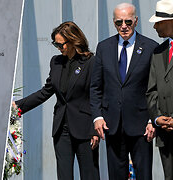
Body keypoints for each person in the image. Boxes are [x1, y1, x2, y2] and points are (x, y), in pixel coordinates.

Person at [13, 21, 99, 180]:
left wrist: (95, 129)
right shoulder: (56, 62)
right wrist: (16, 107)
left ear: (73, 40)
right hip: (62, 129)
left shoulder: (91, 62)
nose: (58, 48)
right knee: (64, 176)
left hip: (85, 128)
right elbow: (46, 91)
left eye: (61, 44)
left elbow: (96, 96)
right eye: (55, 44)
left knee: (90, 175)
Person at [90, 3, 158, 180]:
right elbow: (96, 86)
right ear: (114, 23)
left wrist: (153, 119)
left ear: (136, 21)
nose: (124, 26)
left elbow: (156, 87)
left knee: (144, 175)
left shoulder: (151, 47)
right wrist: (97, 117)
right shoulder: (103, 47)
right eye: (119, 22)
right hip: (111, 125)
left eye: (128, 21)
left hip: (142, 125)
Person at [147, 0, 173, 179]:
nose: (155, 26)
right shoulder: (158, 52)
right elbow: (151, 91)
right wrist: (157, 118)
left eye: (159, 21)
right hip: (166, 136)